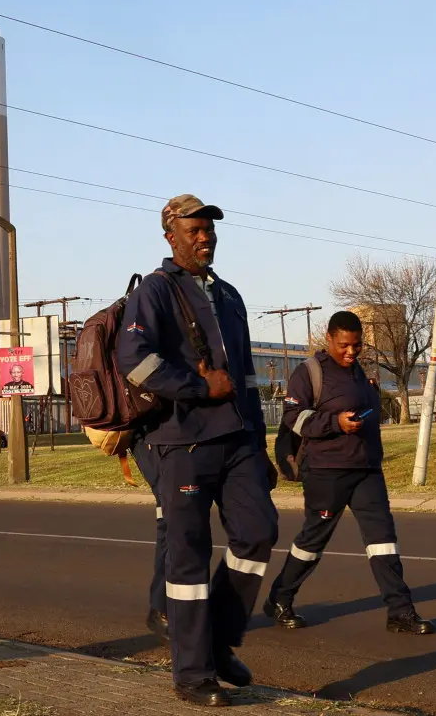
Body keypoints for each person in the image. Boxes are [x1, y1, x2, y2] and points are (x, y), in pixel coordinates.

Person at [117, 194, 278, 707]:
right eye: (194, 230)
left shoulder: (229, 295)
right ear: (171, 236)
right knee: (188, 558)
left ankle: (218, 639)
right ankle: (192, 673)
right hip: (180, 442)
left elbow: (247, 377)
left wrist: (261, 441)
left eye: (209, 229)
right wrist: (196, 387)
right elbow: (134, 362)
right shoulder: (156, 292)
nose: (205, 236)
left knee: (258, 532)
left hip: (236, 440)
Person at [263, 311, 435, 635]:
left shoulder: (360, 374)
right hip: (327, 471)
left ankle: (400, 611)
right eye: (344, 345)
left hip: (366, 471)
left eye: (357, 345)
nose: (351, 352)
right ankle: (279, 598)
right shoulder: (309, 372)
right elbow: (293, 418)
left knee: (383, 540)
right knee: (313, 541)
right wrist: (335, 422)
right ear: (329, 338)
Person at [129, 435, 169, 643]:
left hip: (170, 437)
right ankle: (162, 608)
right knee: (172, 515)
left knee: (175, 519)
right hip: (152, 437)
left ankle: (164, 605)